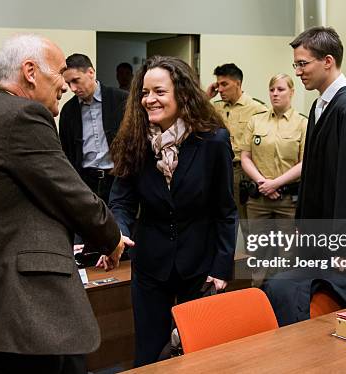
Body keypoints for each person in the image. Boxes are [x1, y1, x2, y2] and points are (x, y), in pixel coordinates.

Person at [0, 34, 128, 374]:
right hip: (24, 311)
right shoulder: (22, 117)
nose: (66, 86)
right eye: (59, 73)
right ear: (30, 72)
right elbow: (70, 193)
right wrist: (111, 237)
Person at [102, 55, 237, 367]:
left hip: (200, 265)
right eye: (145, 93)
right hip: (150, 264)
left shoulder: (213, 140)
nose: (150, 100)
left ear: (182, 93)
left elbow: (225, 210)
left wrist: (221, 268)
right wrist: (119, 230)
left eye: (159, 92)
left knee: (198, 352)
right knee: (150, 353)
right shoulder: (132, 139)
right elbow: (121, 200)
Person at [262, 27, 346, 327]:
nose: (297, 71)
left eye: (302, 64)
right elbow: (314, 176)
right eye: (295, 64)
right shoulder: (320, 105)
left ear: (327, 61)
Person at [206, 63, 267, 237]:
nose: (220, 89)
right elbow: (190, 114)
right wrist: (207, 96)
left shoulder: (258, 109)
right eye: (218, 85)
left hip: (243, 172)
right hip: (218, 171)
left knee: (250, 227)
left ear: (238, 84)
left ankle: (252, 262)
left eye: (225, 84)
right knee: (220, 223)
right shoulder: (215, 107)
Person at [59, 54, 128, 204]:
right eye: (68, 83)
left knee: (118, 223)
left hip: (117, 179)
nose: (72, 88)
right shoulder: (68, 110)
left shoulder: (121, 100)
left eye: (76, 81)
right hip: (84, 181)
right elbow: (66, 152)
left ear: (90, 72)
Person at [240, 73, 307, 219]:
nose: (275, 94)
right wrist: (263, 183)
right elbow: (245, 157)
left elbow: (305, 163)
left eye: (280, 89)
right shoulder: (255, 121)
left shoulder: (303, 123)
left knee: (287, 242)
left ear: (292, 92)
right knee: (258, 242)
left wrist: (275, 184)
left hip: (288, 201)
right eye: (272, 90)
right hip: (258, 199)